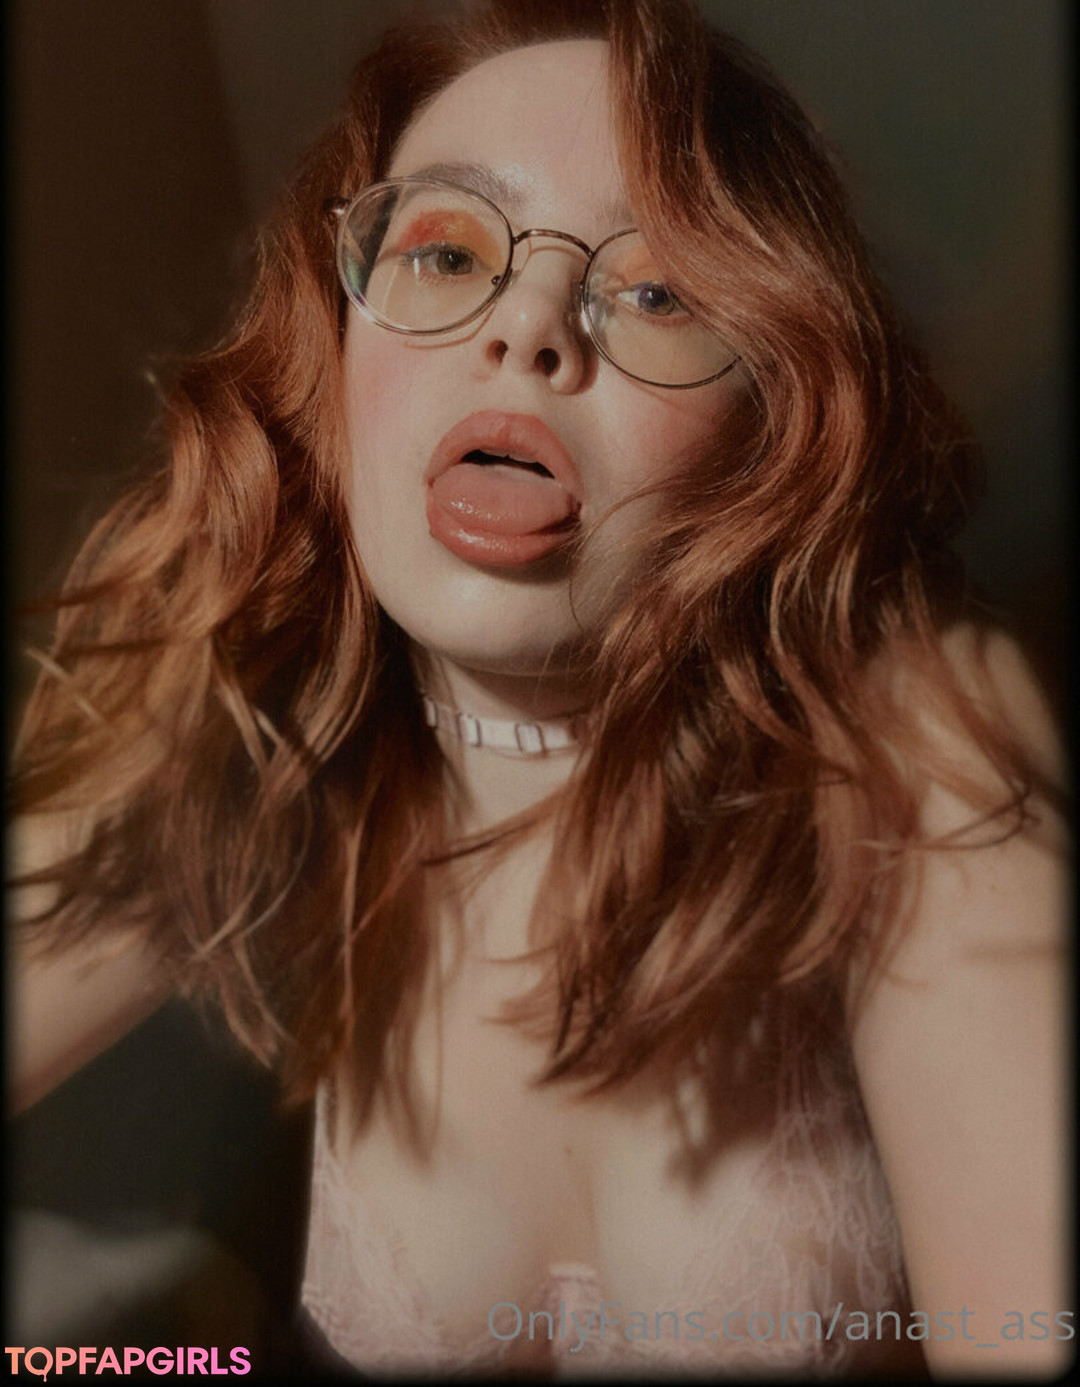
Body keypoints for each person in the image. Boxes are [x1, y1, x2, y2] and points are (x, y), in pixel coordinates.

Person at [9, 0, 1068, 1376]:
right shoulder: (264, 729)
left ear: (770, 428)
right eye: (448, 251)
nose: (528, 327)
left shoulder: (910, 732)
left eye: (659, 290)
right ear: (335, 352)